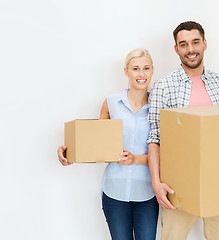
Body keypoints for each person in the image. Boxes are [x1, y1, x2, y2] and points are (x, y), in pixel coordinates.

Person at [57, 48, 159, 240]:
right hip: (114, 192)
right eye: (135, 68)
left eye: (146, 68)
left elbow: (166, 152)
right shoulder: (111, 103)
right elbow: (96, 143)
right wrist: (68, 151)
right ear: (126, 71)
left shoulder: (158, 105)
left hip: (147, 193)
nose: (141, 74)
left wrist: (135, 159)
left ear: (153, 71)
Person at [147, 21, 219, 240]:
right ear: (176, 49)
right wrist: (156, 182)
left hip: (218, 178)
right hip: (178, 183)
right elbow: (155, 138)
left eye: (195, 42)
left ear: (205, 44)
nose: (190, 50)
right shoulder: (163, 86)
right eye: (183, 45)